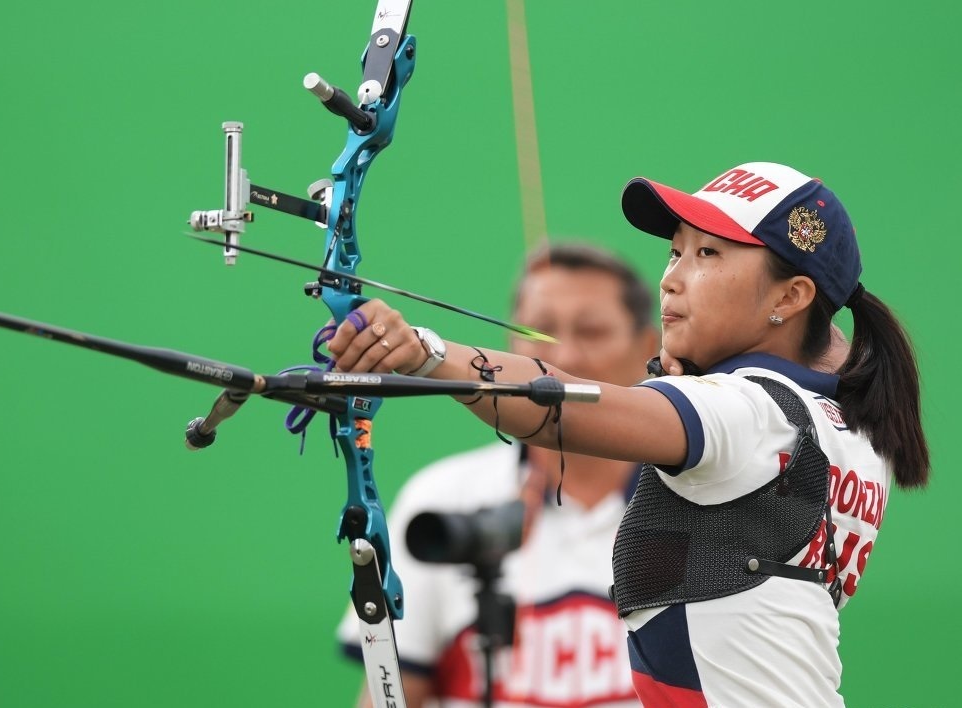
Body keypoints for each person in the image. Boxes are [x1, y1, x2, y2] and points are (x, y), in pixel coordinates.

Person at [327, 162, 929, 707]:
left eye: (710, 256)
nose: (672, 279)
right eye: (676, 251)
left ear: (791, 296)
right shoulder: (840, 417)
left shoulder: (746, 412)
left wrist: (426, 353)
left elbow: (564, 406)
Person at [337, 243, 660, 708]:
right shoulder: (444, 497)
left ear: (647, 348)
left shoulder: (698, 504)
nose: (564, 356)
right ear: (511, 349)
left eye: (592, 331)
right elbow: (389, 694)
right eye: (540, 332)